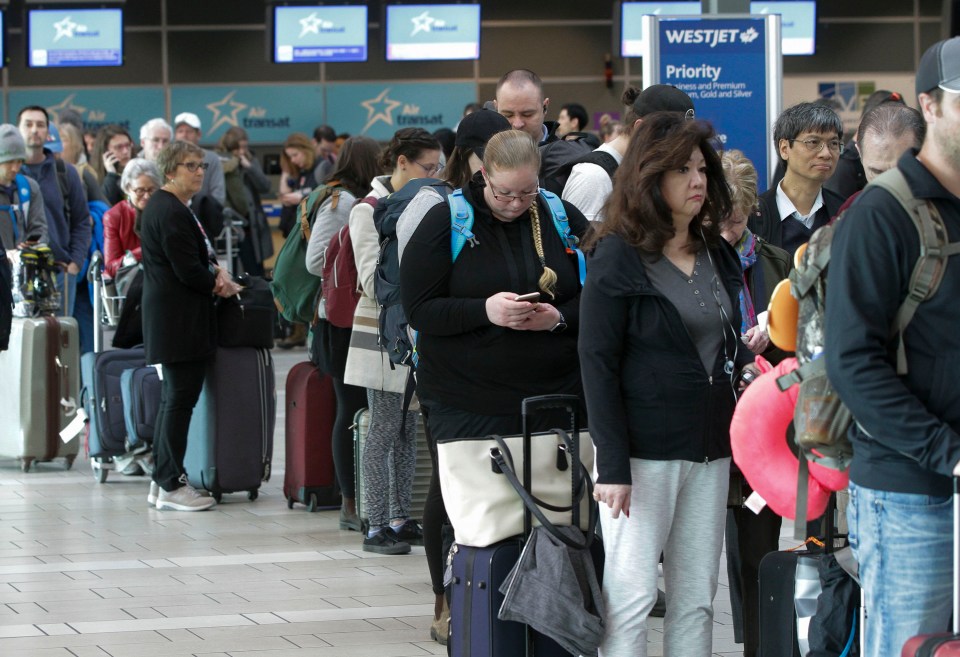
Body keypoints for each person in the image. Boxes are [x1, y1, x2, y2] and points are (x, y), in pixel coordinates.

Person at [579, 112, 757, 657]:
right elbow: (597, 360)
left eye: (702, 169)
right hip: (640, 455)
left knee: (697, 599)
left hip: (709, 448)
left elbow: (714, 342)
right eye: (682, 169)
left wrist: (746, 351)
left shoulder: (715, 251)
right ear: (649, 177)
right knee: (631, 597)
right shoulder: (618, 254)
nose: (697, 181)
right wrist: (611, 463)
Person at [824, 36, 960, 656]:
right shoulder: (883, 213)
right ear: (929, 107)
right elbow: (853, 361)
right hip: (912, 497)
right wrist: (948, 454)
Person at [401, 128, 589, 571]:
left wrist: (559, 318)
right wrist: (484, 310)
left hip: (550, 394)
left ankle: (547, 615)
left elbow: (603, 292)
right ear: (483, 175)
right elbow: (420, 309)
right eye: (504, 192)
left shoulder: (558, 214)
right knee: (471, 515)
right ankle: (453, 604)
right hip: (466, 398)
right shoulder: (446, 220)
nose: (515, 203)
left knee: (553, 516)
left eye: (527, 192)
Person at [395, 108, 512, 645]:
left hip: (507, 377)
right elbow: (416, 296)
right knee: (449, 489)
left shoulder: (526, 201)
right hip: (444, 372)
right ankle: (444, 600)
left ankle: (490, 597)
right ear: (472, 157)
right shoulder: (435, 205)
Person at [345, 127, 441, 556]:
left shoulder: (422, 203)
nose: (434, 174)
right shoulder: (366, 210)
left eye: (438, 167)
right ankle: (375, 523)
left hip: (411, 332)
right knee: (383, 427)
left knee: (407, 429)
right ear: (401, 162)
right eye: (427, 167)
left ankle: (401, 518)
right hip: (380, 333)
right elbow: (369, 278)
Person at [140, 140, 241, 512]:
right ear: (170, 170)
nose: (199, 172)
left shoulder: (174, 207)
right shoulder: (168, 210)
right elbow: (187, 270)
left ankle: (161, 479)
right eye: (190, 166)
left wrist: (215, 271)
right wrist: (218, 280)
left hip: (176, 319)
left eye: (202, 166)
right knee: (179, 402)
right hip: (177, 320)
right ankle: (170, 483)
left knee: (176, 401)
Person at [719, 149, 791, 657]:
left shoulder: (774, 261)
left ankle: (760, 646)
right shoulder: (689, 259)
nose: (730, 229)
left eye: (739, 218)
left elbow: (798, 340)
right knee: (709, 546)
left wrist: (773, 337)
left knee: (760, 544)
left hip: (764, 422)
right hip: (709, 420)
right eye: (721, 219)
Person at [304, 135, 383, 535]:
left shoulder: (354, 201)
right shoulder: (344, 204)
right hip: (339, 324)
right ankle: (351, 502)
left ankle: (359, 498)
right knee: (349, 411)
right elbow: (314, 260)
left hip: (347, 321)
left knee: (353, 410)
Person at [563, 84, 694, 222]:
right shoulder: (593, 177)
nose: (675, 149)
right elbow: (585, 242)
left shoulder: (642, 171)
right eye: (670, 139)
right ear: (640, 129)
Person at [18, 106, 91, 316]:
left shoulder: (65, 172)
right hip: (17, 272)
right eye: (28, 124)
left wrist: (75, 262)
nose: (34, 130)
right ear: (18, 129)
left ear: (48, 131)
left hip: (59, 271)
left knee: (58, 342)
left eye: (40, 125)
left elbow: (82, 221)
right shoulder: (8, 174)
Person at [748, 102, 846, 257]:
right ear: (784, 148)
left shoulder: (845, 212)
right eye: (813, 142)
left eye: (833, 143)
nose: (826, 153)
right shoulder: (752, 215)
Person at [833, 103, 926, 216]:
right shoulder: (851, 210)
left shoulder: (945, 208)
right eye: (877, 172)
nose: (890, 184)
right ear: (859, 153)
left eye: (901, 172)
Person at [217, 127, 273, 276]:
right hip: (230, 224)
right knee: (231, 268)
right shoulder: (221, 162)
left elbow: (265, 187)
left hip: (252, 226)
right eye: (238, 148)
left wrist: (250, 168)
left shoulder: (250, 160)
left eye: (244, 147)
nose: (241, 151)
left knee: (255, 269)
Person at [102, 158, 161, 279]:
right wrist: (143, 251)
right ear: (128, 188)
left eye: (151, 190)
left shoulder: (165, 211)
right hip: (131, 281)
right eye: (140, 190)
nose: (147, 196)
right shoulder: (114, 216)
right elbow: (111, 267)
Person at [0, 124, 47, 263]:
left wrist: (31, 247)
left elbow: (39, 227)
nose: (15, 168)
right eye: (9, 162)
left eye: (19, 161)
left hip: (23, 271)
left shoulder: (29, 187)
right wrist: (5, 254)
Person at [173, 112, 226, 206]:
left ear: (199, 134)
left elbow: (218, 196)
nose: (184, 135)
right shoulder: (168, 158)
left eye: (189, 131)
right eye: (180, 131)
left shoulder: (211, 158)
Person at [494, 69, 556, 145]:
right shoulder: (483, 155)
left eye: (527, 114)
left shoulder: (567, 155)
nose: (517, 124)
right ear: (496, 109)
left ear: (545, 107)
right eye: (508, 115)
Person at [91, 125, 136, 206]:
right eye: (119, 147)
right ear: (105, 151)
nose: (125, 151)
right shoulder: (93, 176)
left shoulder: (138, 170)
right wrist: (111, 175)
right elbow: (106, 206)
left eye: (128, 145)